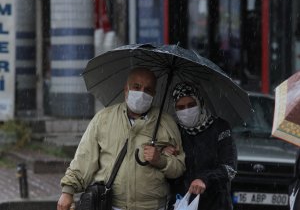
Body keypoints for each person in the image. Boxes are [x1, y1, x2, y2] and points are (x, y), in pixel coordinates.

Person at [57, 67, 185, 210]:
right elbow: (84, 158)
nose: (141, 93)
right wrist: (68, 191)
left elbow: (179, 167)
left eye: (147, 90)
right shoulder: (104, 118)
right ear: (126, 89)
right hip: (111, 204)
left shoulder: (166, 123)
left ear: (154, 94)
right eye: (136, 87)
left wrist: (160, 161)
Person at [166, 82, 237, 210]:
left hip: (216, 203)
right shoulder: (173, 131)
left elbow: (229, 168)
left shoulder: (220, 127)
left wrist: (204, 179)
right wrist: (166, 155)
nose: (186, 110)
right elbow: (170, 175)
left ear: (200, 102)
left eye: (191, 105)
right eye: (180, 107)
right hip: (182, 202)